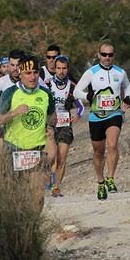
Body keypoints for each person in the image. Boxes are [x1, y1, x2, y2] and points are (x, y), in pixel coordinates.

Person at [0, 55, 56, 211]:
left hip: (37, 150)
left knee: (38, 195)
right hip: (13, 149)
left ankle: (33, 228)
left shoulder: (46, 94)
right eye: (28, 73)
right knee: (13, 196)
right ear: (20, 73)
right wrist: (12, 114)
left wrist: (51, 128)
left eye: (35, 72)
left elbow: (52, 117)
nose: (32, 77)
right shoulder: (10, 93)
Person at [74, 41, 130, 200]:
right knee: (98, 151)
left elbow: (128, 87)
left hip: (114, 113)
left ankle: (111, 178)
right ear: (99, 55)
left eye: (110, 55)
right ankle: (100, 182)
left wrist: (127, 97)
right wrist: (87, 96)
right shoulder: (91, 72)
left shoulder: (120, 72)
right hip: (96, 116)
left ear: (114, 56)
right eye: (104, 54)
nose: (107, 57)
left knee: (113, 144)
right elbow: (76, 91)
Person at [46, 55, 84, 197]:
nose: (61, 71)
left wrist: (78, 114)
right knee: (51, 156)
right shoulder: (47, 84)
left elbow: (80, 106)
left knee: (62, 158)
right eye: (58, 68)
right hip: (50, 124)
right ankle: (47, 181)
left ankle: (56, 187)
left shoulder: (73, 86)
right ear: (54, 69)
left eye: (64, 68)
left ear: (67, 69)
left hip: (65, 124)